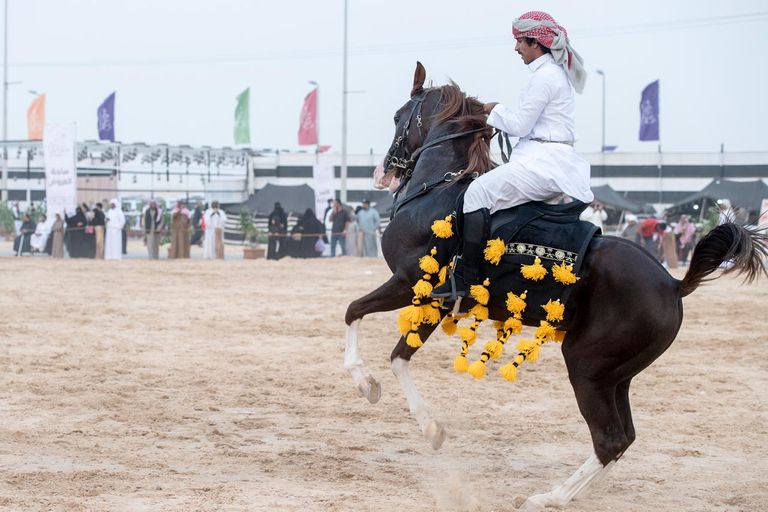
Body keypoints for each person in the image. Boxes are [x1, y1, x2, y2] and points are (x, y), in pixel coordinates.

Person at [433, 10, 591, 298]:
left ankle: (466, 279)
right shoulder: (553, 74)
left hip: (542, 164)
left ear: (536, 43)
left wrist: (494, 110)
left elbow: (519, 126)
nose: (516, 48)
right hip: (547, 160)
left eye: (520, 41)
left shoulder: (545, 77)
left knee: (476, 194)